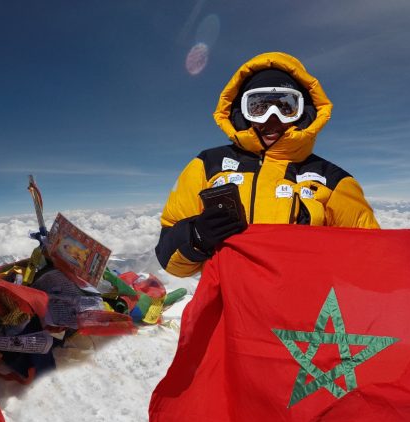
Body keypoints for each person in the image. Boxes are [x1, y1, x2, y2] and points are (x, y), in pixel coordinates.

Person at [155, 52, 379, 278]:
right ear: (243, 112)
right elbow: (169, 261)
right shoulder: (207, 166)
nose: (272, 118)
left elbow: (371, 257)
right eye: (259, 106)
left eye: (286, 106)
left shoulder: (333, 181)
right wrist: (196, 235)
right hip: (226, 300)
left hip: (301, 300)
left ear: (302, 112)